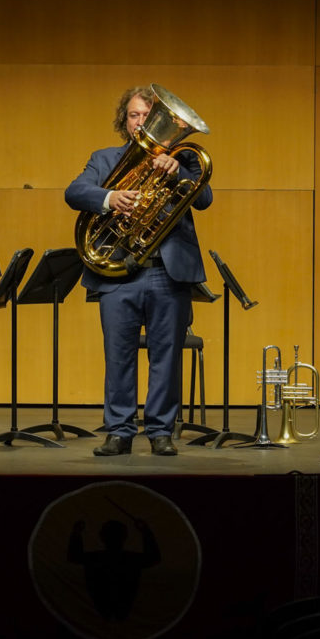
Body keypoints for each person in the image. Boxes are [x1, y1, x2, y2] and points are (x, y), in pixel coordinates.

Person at [64, 86, 213, 457]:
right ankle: (119, 431)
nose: (141, 123)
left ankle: (161, 431)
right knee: (118, 355)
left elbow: (205, 199)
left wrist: (178, 171)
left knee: (166, 356)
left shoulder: (184, 160)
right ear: (124, 122)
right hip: (118, 274)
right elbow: (74, 191)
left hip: (168, 271)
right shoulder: (106, 158)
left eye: (148, 116)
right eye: (134, 116)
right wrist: (110, 198)